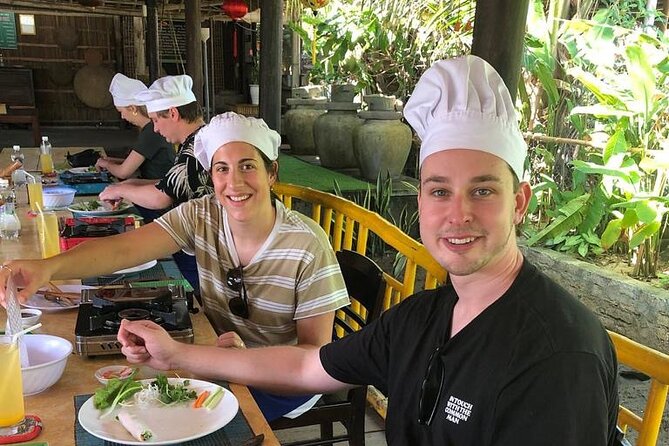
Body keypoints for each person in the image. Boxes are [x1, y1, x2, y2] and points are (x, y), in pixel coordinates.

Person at [108, 56, 614, 444]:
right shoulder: (422, 318)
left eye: (483, 191)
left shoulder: (557, 356)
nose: (457, 214)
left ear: (519, 202)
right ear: (421, 200)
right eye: (440, 190)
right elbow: (309, 367)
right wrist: (179, 354)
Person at [0, 112, 350, 422]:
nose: (234, 183)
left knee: (166, 414)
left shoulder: (306, 244)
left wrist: (214, 358)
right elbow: (124, 249)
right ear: (211, 177)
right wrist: (46, 269)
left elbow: (313, 357)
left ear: (271, 173)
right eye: (221, 169)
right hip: (219, 353)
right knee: (129, 400)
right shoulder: (202, 214)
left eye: (248, 166)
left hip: (283, 380)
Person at [99, 74, 212, 292]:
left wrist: (121, 188)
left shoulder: (196, 149)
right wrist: (131, 185)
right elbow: (172, 181)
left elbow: (160, 197)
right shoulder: (199, 138)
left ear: (173, 113)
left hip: (208, 250)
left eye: (156, 120)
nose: (156, 129)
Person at [96, 73, 175, 181]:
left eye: (121, 112)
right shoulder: (149, 128)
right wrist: (111, 160)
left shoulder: (152, 131)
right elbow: (138, 160)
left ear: (133, 108)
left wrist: (105, 163)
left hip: (160, 189)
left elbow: (123, 172)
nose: (122, 117)